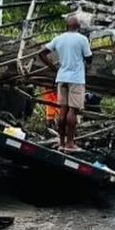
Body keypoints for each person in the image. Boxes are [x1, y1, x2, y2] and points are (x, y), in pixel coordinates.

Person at [39, 14, 92, 152]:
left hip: (62, 77)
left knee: (63, 110)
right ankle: (70, 143)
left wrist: (53, 68)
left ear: (66, 26)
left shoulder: (59, 39)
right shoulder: (82, 39)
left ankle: (62, 142)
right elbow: (88, 57)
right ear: (79, 27)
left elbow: (42, 53)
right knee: (72, 111)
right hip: (76, 78)